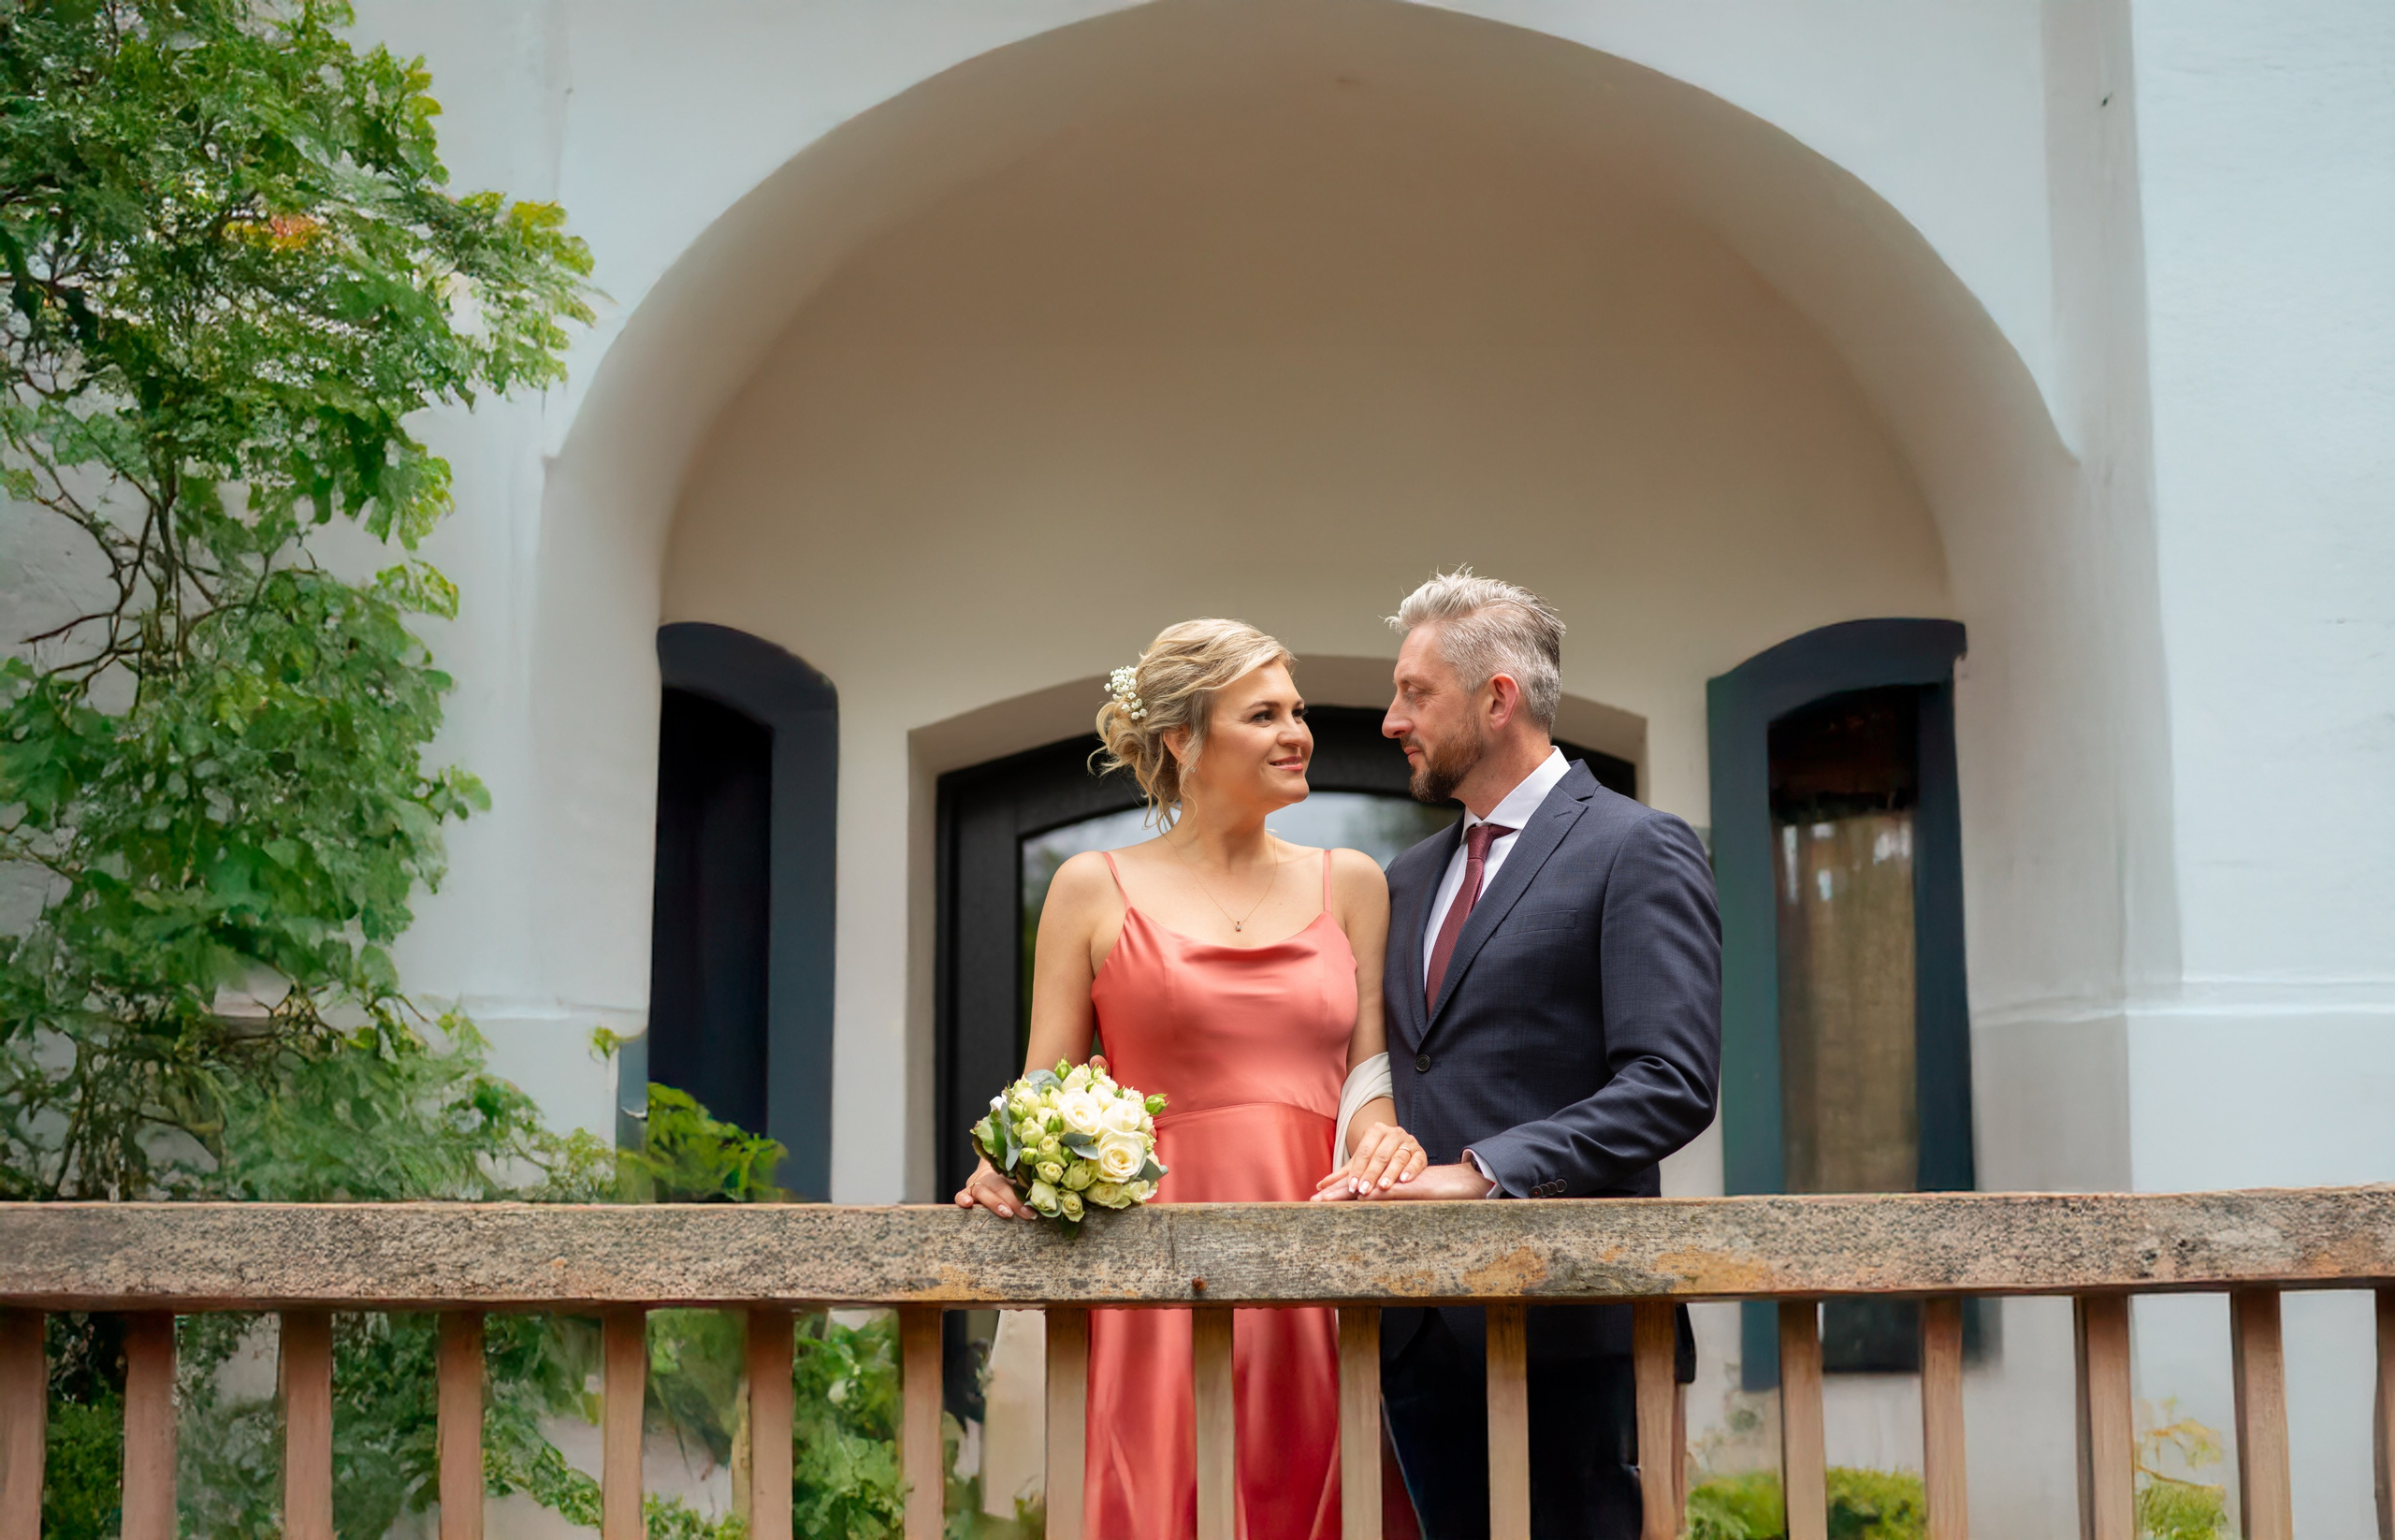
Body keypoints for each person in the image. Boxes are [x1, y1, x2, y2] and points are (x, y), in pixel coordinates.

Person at [955, 618, 1428, 1540]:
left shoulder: (1354, 882)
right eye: (1263, 714)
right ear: (1182, 738)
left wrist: (1385, 1138)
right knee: (1160, 1494)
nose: (1298, 732)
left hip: (1314, 1253)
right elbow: (1038, 1093)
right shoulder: (1091, 886)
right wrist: (1002, 1161)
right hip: (1151, 1269)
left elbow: (1366, 1077)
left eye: (1297, 711)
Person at [1314, 571, 1721, 1540]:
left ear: (1496, 697)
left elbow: (1671, 1080)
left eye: (1414, 692)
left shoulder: (1638, 845)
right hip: (1417, 1332)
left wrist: (1488, 1170)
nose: (1389, 719)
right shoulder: (1407, 877)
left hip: (1572, 1319)